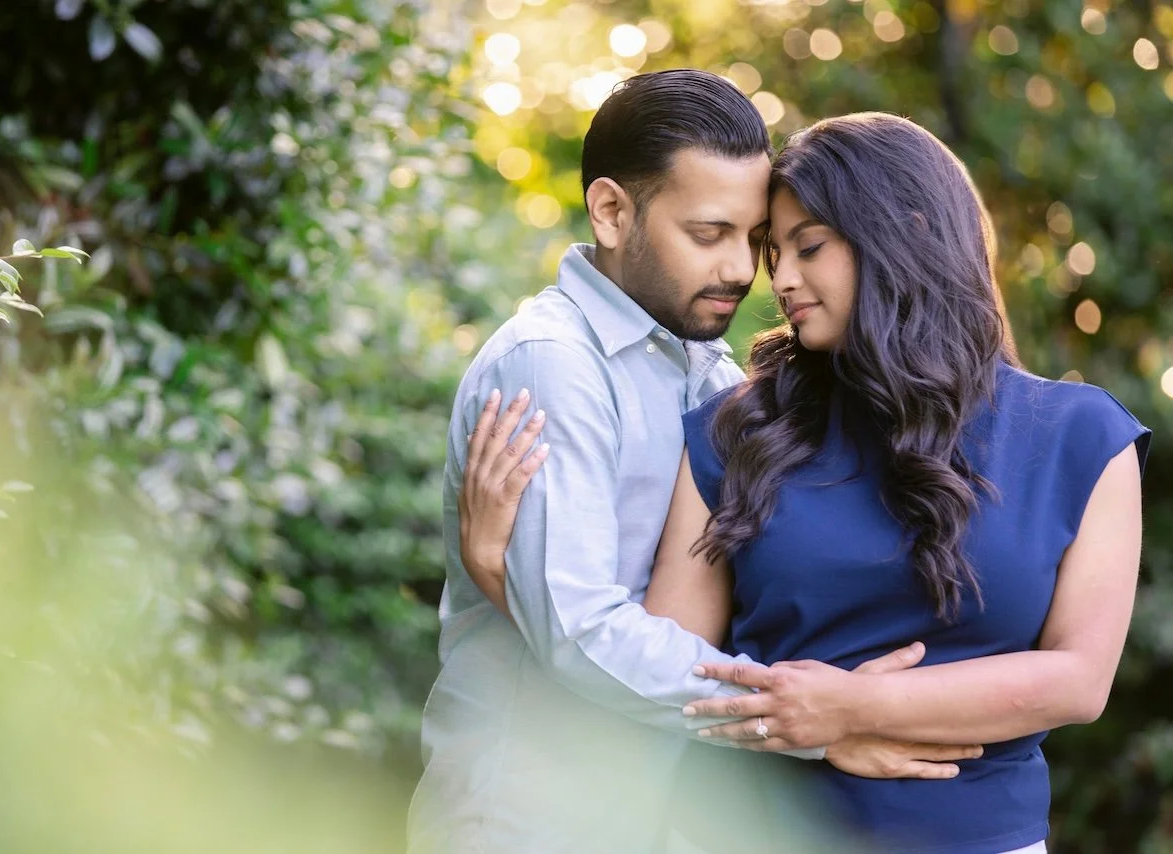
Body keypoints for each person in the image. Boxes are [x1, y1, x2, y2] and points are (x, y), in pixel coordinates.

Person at [458, 112, 1150, 854]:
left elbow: (1079, 680)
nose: (778, 279)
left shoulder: (1083, 436)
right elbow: (668, 664)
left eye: (808, 247)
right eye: (773, 250)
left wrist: (854, 707)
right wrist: (509, 575)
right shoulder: (735, 427)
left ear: (906, 232)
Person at [407, 75, 976, 854]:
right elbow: (578, 632)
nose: (745, 271)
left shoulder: (706, 374)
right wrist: (802, 721)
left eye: (754, 239)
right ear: (612, 211)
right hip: (527, 819)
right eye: (709, 234)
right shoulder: (551, 365)